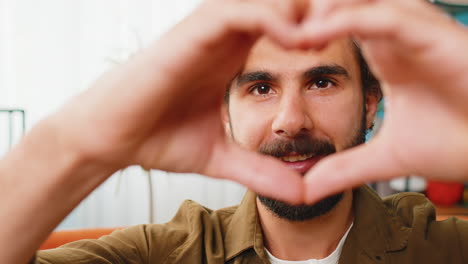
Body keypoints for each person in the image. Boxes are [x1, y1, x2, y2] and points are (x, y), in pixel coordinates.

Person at [1, 0, 468, 263]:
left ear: (370, 104)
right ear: (223, 113)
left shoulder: (443, 248)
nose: (291, 119)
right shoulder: (161, 254)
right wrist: (79, 144)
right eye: (261, 87)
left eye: (322, 82)